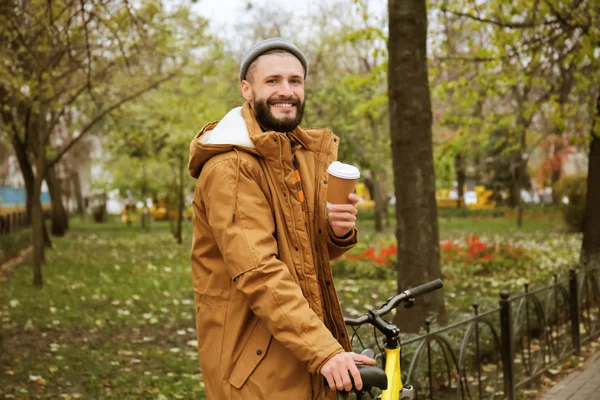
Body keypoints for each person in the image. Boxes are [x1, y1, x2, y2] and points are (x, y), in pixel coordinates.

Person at [189, 38, 375, 399]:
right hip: (254, 368)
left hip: (295, 349)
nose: (286, 91)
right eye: (272, 81)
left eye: (295, 81)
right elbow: (259, 271)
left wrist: (334, 233)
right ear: (247, 88)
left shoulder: (291, 155)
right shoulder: (232, 166)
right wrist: (326, 352)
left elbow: (296, 254)